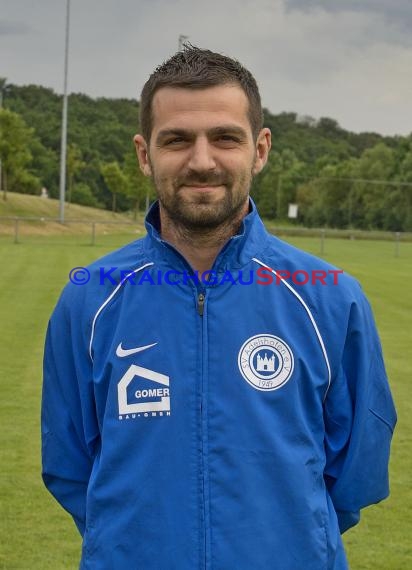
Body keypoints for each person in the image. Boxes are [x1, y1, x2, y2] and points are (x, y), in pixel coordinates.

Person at [41, 46, 397, 570]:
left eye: (225, 137)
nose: (202, 160)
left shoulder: (330, 298)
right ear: (145, 154)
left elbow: (356, 474)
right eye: (177, 140)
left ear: (260, 149)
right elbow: (70, 466)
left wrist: (283, 537)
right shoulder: (90, 298)